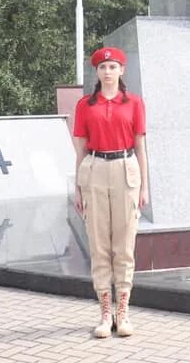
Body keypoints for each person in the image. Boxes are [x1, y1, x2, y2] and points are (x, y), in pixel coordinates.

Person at [72, 47, 149, 338]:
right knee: (99, 245)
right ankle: (106, 314)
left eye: (113, 67)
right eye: (103, 68)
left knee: (125, 245)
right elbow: (80, 149)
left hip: (126, 169)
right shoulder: (85, 106)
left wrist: (145, 186)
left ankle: (124, 312)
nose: (108, 72)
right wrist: (77, 189)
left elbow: (141, 147)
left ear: (122, 70)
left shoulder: (134, 103)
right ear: (97, 72)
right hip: (94, 170)